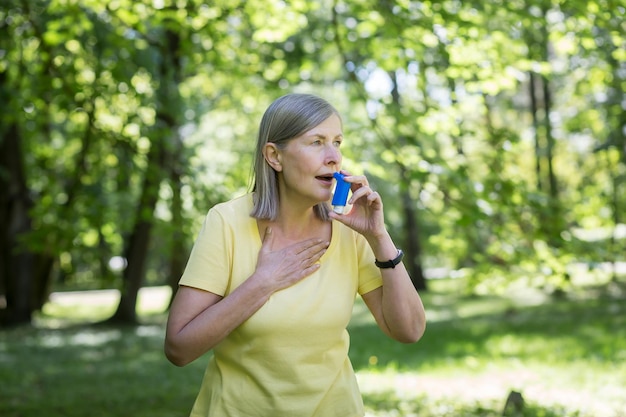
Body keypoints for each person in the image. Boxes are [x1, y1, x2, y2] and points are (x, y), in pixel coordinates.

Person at [164, 93, 426, 417]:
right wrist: (262, 283)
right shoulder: (226, 222)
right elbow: (179, 347)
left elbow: (409, 330)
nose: (334, 157)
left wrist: (378, 237)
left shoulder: (350, 228)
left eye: (337, 142)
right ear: (274, 156)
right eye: (316, 142)